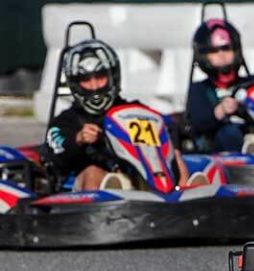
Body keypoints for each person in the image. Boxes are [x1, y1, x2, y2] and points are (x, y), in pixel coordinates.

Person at [45, 39, 191, 190]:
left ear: (112, 77)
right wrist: (79, 139)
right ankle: (108, 201)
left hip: (137, 178)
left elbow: (163, 129)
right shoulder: (67, 121)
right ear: (75, 84)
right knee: (92, 173)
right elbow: (55, 154)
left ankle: (184, 198)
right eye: (86, 80)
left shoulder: (134, 111)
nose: (94, 86)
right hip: (82, 188)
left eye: (100, 77)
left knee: (177, 156)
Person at [187, 19, 254, 152]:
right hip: (216, 145)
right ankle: (248, 155)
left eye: (226, 49)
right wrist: (220, 111)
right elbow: (197, 122)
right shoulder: (200, 89)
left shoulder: (253, 83)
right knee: (229, 133)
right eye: (215, 51)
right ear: (205, 56)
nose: (221, 55)